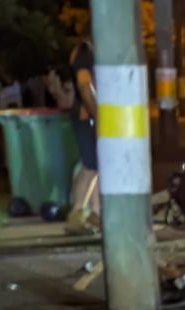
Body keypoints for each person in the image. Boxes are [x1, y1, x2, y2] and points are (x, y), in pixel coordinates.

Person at [59, 39, 100, 235]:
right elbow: (85, 87)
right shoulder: (85, 54)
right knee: (90, 165)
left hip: (86, 115)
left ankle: (94, 214)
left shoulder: (84, 52)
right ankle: (76, 216)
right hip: (86, 116)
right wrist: (98, 115)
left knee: (94, 166)